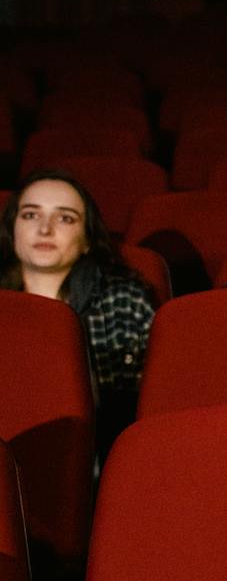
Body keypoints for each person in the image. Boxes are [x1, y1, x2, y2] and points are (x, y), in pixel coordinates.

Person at [0, 168, 156, 448]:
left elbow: (140, 406)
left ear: (86, 240)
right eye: (31, 215)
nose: (45, 228)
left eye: (65, 218)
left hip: (92, 451)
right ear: (13, 230)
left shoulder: (123, 302)